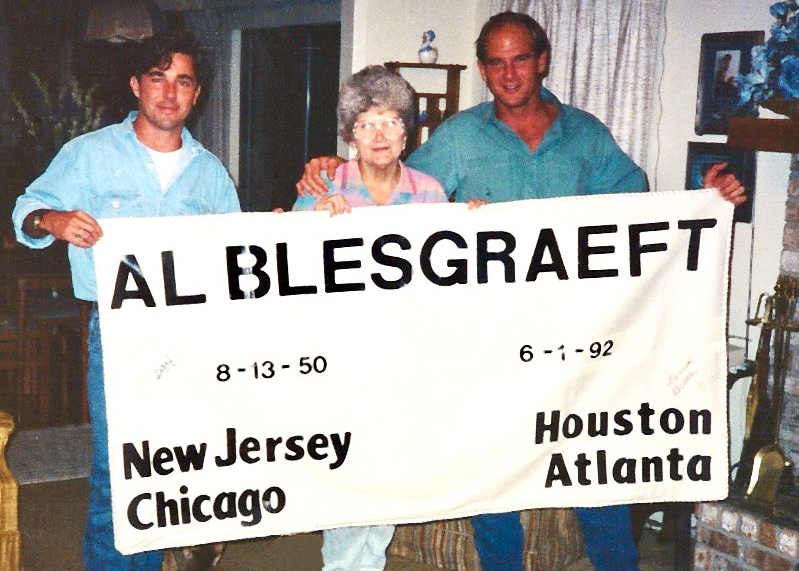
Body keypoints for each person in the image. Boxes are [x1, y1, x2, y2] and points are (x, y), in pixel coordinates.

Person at [296, 11, 746, 571]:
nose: (509, 73)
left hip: (575, 335)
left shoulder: (586, 135)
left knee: (593, 462)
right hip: (490, 338)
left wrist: (701, 203)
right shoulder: (459, 138)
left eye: (520, 59)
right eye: (496, 62)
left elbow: (638, 211)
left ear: (542, 61)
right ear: (484, 69)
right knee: (496, 472)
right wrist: (330, 170)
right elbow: (393, 190)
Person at [12, 30, 240, 571]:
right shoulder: (87, 155)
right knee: (120, 474)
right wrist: (53, 220)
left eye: (182, 81)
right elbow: (25, 211)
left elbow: (236, 256)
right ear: (136, 85)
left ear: (196, 93)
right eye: (157, 78)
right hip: (115, 336)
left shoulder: (210, 173)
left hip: (190, 337)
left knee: (176, 470)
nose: (169, 93)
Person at [293, 64, 450, 571]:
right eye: (365, 124)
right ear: (349, 134)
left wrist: (475, 220)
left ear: (407, 130)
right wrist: (312, 219)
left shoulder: (429, 190)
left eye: (389, 122)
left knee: (388, 472)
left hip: (404, 355)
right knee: (346, 475)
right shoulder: (321, 184)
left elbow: (451, 273)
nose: (378, 135)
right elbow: (286, 264)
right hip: (340, 356)